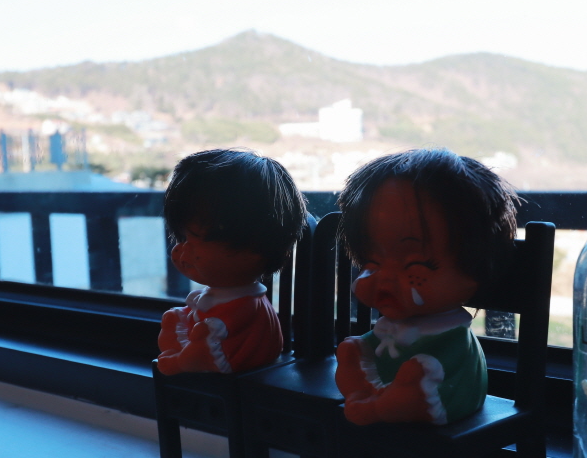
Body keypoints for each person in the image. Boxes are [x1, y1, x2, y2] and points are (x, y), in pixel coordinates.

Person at [334, 148, 518, 425]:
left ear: (476, 265)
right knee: (351, 350)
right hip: (388, 380)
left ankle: (390, 405)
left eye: (415, 267)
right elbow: (376, 345)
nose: (385, 278)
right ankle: (370, 396)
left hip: (446, 392)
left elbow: (446, 363)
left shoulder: (451, 335)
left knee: (419, 375)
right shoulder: (392, 326)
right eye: (372, 263)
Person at [157, 149, 308, 375]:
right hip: (213, 345)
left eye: (195, 239)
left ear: (254, 247)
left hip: (236, 355)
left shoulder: (248, 304)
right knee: (173, 319)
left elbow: (227, 325)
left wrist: (205, 332)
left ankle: (186, 361)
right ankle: (184, 356)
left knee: (201, 339)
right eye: (182, 238)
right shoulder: (219, 296)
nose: (181, 250)